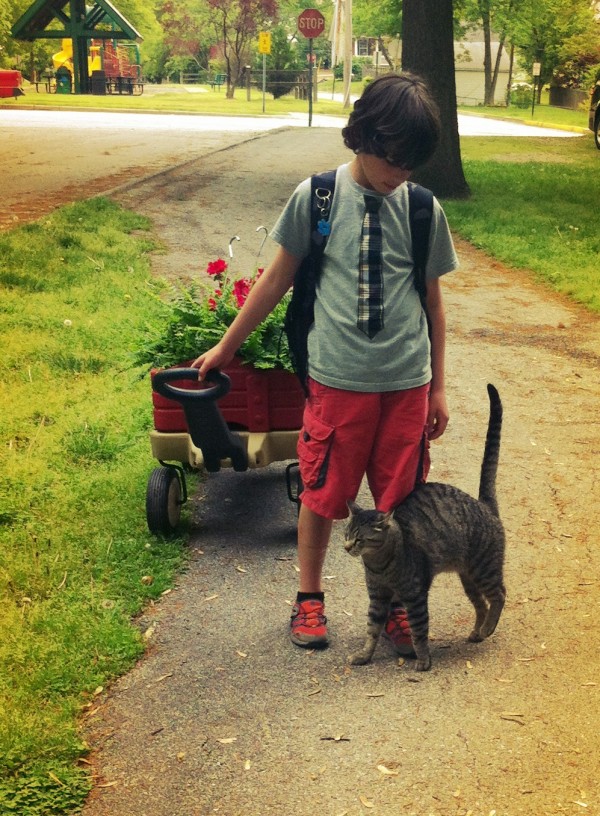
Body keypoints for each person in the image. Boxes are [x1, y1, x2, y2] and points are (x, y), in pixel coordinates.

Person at [192, 73, 459, 654]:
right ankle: (308, 599)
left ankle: (392, 606)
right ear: (361, 137)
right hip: (337, 383)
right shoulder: (317, 198)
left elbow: (434, 303)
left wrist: (438, 388)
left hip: (407, 385)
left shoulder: (420, 209)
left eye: (412, 167)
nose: (400, 177)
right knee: (322, 493)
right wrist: (228, 347)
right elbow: (275, 279)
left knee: (399, 505)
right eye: (393, 162)